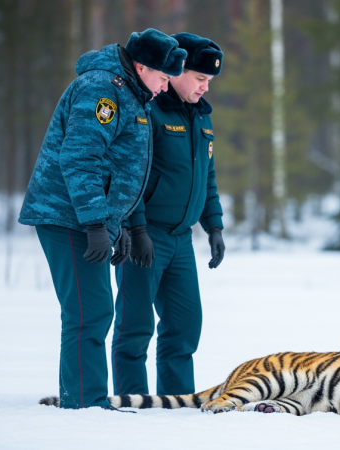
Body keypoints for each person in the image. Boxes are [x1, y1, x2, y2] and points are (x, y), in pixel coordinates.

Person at [18, 29, 187, 410]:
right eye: (162, 78)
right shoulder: (102, 90)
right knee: (89, 309)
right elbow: (79, 158)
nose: (164, 88)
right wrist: (97, 224)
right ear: (142, 67)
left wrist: (131, 224)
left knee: (93, 309)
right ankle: (84, 403)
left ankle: (85, 397)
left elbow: (128, 171)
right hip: (66, 215)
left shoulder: (133, 93)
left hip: (89, 217)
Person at [111, 33, 225, 396]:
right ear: (175, 71)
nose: (205, 88)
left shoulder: (202, 119)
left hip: (181, 241)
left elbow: (207, 177)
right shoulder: (150, 110)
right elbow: (133, 176)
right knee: (136, 325)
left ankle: (176, 402)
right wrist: (137, 227)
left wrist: (214, 225)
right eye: (200, 78)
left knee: (185, 325)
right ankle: (133, 401)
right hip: (145, 234)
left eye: (209, 81)